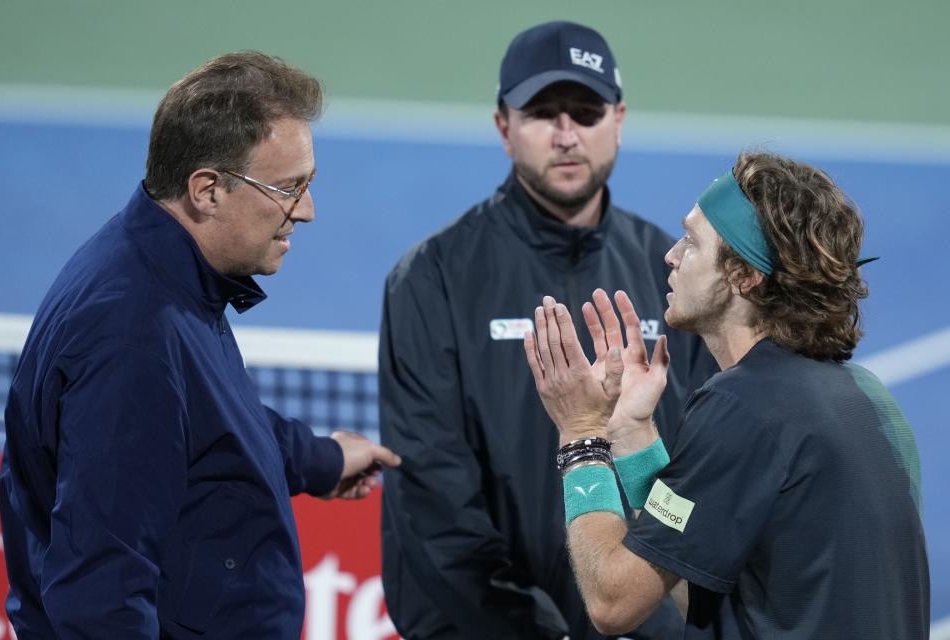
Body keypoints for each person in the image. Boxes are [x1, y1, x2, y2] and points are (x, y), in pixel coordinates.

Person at [0, 51, 400, 639]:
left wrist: (320, 459)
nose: (307, 211)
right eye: (290, 188)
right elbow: (102, 592)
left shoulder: (161, 274)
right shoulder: (133, 334)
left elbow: (200, 421)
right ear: (207, 190)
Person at [379, 21, 716, 640]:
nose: (566, 135)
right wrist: (530, 626)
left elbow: (703, 461)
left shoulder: (672, 272)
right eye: (541, 113)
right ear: (504, 127)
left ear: (618, 118)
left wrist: (659, 614)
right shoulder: (433, 278)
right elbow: (432, 494)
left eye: (585, 112)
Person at [525, 151, 930, 638]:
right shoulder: (868, 397)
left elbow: (613, 603)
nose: (670, 256)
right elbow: (690, 578)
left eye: (692, 243)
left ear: (745, 275)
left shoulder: (744, 404)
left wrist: (581, 436)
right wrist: (632, 433)